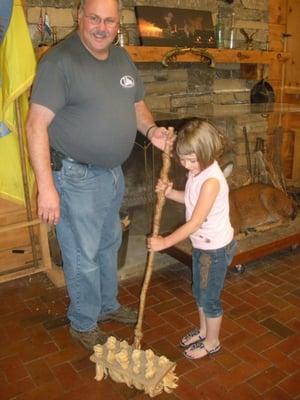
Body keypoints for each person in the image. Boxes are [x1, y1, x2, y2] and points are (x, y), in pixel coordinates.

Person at [26, 0, 171, 351]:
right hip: (75, 177)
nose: (101, 27)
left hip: (112, 174)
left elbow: (136, 105)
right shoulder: (60, 62)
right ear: (80, 17)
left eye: (109, 20)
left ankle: (107, 304)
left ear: (117, 23)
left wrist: (151, 131)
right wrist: (46, 188)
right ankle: (84, 321)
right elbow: (35, 126)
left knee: (109, 245)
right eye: (94, 18)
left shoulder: (121, 58)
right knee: (82, 254)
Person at [147, 118, 236, 359]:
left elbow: (194, 221)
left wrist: (165, 243)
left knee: (209, 299)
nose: (187, 165)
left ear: (207, 153)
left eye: (192, 160)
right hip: (202, 246)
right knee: (200, 292)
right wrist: (169, 192)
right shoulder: (198, 172)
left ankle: (212, 342)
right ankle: (204, 330)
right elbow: (190, 198)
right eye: (183, 159)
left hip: (215, 250)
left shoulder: (211, 181)